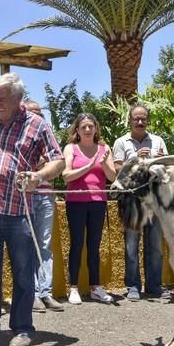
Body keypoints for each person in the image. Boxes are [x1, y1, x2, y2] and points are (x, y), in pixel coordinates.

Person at [0, 72, 64, 346]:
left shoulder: (37, 124)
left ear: (18, 98)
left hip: (19, 210)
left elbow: (58, 161)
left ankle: (22, 328)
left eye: (3, 98)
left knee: (22, 271)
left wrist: (38, 177)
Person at [112, 105, 170, 302]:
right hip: (132, 202)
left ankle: (154, 285)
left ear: (148, 120)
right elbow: (117, 170)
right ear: (130, 120)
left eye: (143, 118)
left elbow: (167, 167)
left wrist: (162, 160)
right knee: (131, 246)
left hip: (154, 200)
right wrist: (137, 159)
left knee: (155, 246)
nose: (139, 121)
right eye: (136, 118)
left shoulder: (158, 141)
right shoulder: (121, 142)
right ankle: (133, 286)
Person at [62, 113, 117, 305]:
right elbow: (66, 176)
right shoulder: (71, 148)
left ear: (96, 129)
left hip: (98, 201)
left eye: (90, 127)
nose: (87, 130)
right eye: (83, 127)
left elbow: (111, 177)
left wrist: (102, 163)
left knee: (94, 245)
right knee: (77, 244)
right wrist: (90, 165)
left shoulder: (104, 148)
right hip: (75, 202)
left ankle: (95, 287)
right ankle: (74, 288)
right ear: (77, 130)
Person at [23, 100, 64, 313]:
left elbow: (57, 163)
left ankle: (45, 291)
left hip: (46, 195)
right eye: (32, 112)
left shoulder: (48, 135)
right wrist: (38, 165)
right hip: (26, 195)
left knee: (44, 245)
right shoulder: (19, 134)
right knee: (28, 246)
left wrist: (42, 167)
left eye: (39, 112)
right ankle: (31, 294)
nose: (37, 116)